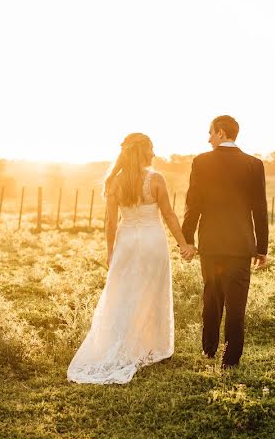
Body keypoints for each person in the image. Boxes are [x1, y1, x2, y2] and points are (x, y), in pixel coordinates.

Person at [67, 133, 196, 384]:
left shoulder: (113, 182)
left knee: (123, 293)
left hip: (126, 243)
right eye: (152, 149)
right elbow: (169, 215)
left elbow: (110, 222)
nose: (155, 153)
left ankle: (123, 344)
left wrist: (110, 251)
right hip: (152, 242)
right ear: (144, 151)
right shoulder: (155, 179)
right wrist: (183, 245)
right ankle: (148, 345)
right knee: (151, 292)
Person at [181, 115, 268, 369]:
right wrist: (261, 248)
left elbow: (192, 204)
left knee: (212, 298)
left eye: (210, 133)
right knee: (236, 305)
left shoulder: (201, 162)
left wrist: (188, 239)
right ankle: (230, 360)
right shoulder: (254, 164)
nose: (208, 139)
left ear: (221, 132)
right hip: (241, 246)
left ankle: (209, 351)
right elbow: (260, 209)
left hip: (211, 244)